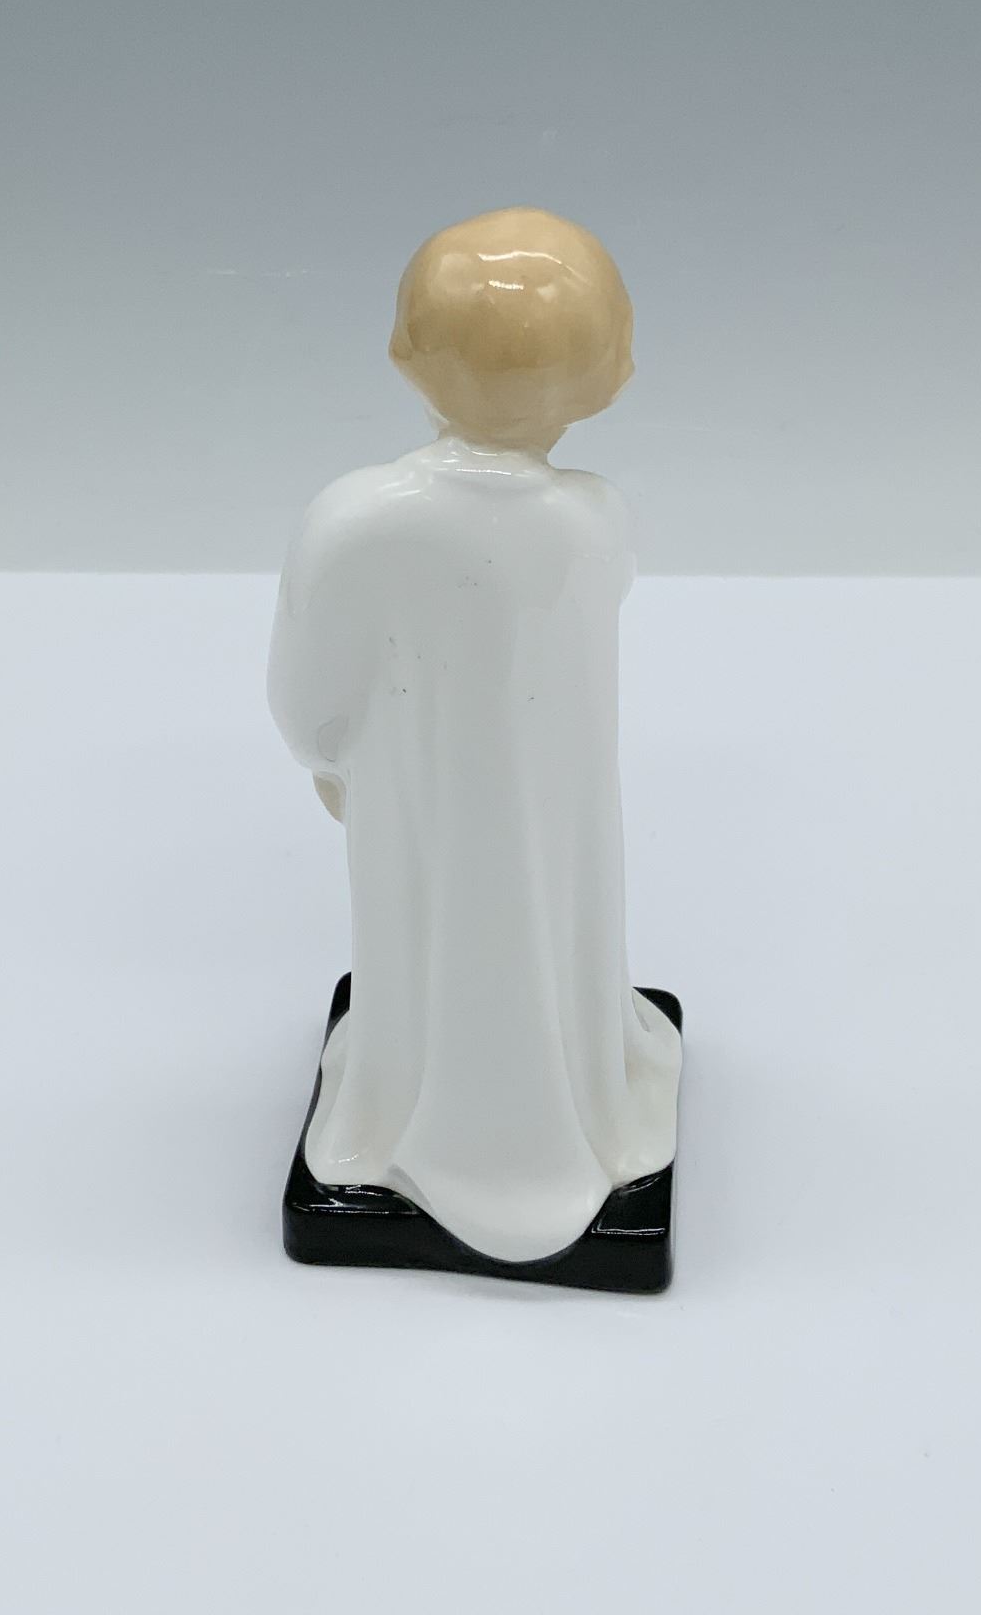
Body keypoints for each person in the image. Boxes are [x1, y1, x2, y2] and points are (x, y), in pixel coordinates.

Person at [268, 206, 681, 1264]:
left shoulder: (355, 518)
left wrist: (331, 760)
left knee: (422, 929)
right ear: (607, 379)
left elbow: (304, 694)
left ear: (405, 355)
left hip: (411, 795)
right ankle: (570, 1093)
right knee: (543, 918)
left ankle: (408, 1100)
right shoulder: (594, 522)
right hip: (551, 804)